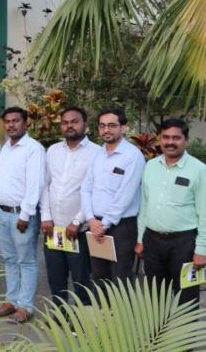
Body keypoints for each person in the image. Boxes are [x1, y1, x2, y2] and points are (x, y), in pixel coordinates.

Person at [136, 118, 206, 306]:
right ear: (159, 140)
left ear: (185, 140)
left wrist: (202, 249)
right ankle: (157, 335)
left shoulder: (199, 170)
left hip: (184, 245)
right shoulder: (150, 166)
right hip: (152, 242)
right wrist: (140, 239)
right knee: (155, 297)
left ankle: (186, 335)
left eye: (176, 137)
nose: (170, 142)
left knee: (186, 298)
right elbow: (145, 206)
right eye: (165, 137)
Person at [0, 107, 45, 324]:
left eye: (16, 121)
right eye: (8, 121)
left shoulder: (34, 149)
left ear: (26, 123)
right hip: (2, 213)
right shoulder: (6, 148)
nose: (11, 125)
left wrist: (25, 214)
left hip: (20, 216)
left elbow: (35, 184)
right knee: (9, 260)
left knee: (27, 261)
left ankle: (25, 307)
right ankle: (11, 301)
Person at [40, 106, 96, 306]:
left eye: (74, 121)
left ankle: (85, 321)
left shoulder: (96, 153)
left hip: (78, 230)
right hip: (53, 229)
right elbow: (45, 185)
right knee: (56, 278)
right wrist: (46, 216)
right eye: (65, 122)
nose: (69, 126)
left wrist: (77, 221)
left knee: (82, 279)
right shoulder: (53, 151)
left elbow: (94, 193)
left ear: (85, 124)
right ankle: (59, 315)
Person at [82, 108, 144, 284]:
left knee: (120, 277)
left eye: (111, 125)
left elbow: (125, 195)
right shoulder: (97, 154)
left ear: (123, 127)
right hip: (96, 224)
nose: (106, 130)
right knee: (99, 276)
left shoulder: (133, 156)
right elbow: (86, 188)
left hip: (121, 227)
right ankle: (103, 311)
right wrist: (90, 219)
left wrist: (104, 224)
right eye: (102, 126)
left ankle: (120, 312)